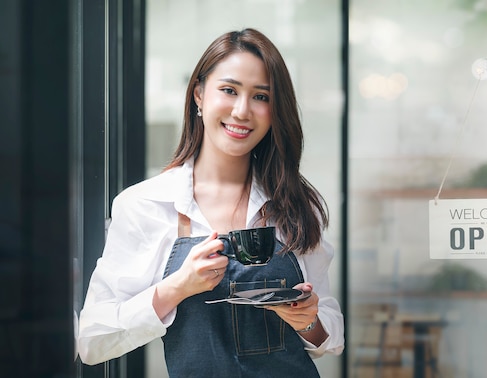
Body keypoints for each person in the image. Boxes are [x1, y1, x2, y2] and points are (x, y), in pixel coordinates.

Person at [78, 28, 344, 377]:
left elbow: (330, 336)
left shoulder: (294, 205)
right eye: (229, 90)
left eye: (261, 97)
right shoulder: (144, 205)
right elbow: (92, 341)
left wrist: (308, 320)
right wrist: (176, 288)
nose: (242, 110)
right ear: (199, 95)